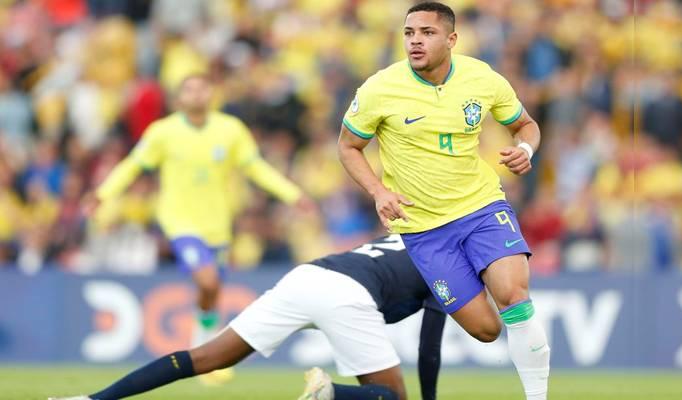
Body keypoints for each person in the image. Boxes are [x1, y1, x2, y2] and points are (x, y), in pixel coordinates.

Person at [337, 2, 550, 399]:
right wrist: (378, 191)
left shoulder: (482, 78)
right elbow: (348, 146)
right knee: (487, 331)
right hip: (424, 230)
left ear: (451, 39)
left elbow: (526, 124)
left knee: (514, 296)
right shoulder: (379, 88)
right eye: (409, 33)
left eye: (427, 33)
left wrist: (525, 148)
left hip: (481, 207)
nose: (415, 41)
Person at [84, 74, 314, 381]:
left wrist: (292, 194)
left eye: (202, 88)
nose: (196, 94)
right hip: (179, 223)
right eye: (189, 89)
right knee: (207, 282)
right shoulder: (163, 132)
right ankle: (200, 340)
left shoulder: (230, 130)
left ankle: (204, 339)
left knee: (213, 289)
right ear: (179, 99)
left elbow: (255, 167)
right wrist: (103, 193)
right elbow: (133, 165)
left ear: (213, 94)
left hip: (218, 226)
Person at [49, 235, 446, 400]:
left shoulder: (412, 233)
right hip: (348, 295)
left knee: (207, 356)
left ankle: (92, 399)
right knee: (391, 398)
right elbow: (429, 346)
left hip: (309, 275)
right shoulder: (449, 259)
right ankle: (329, 393)